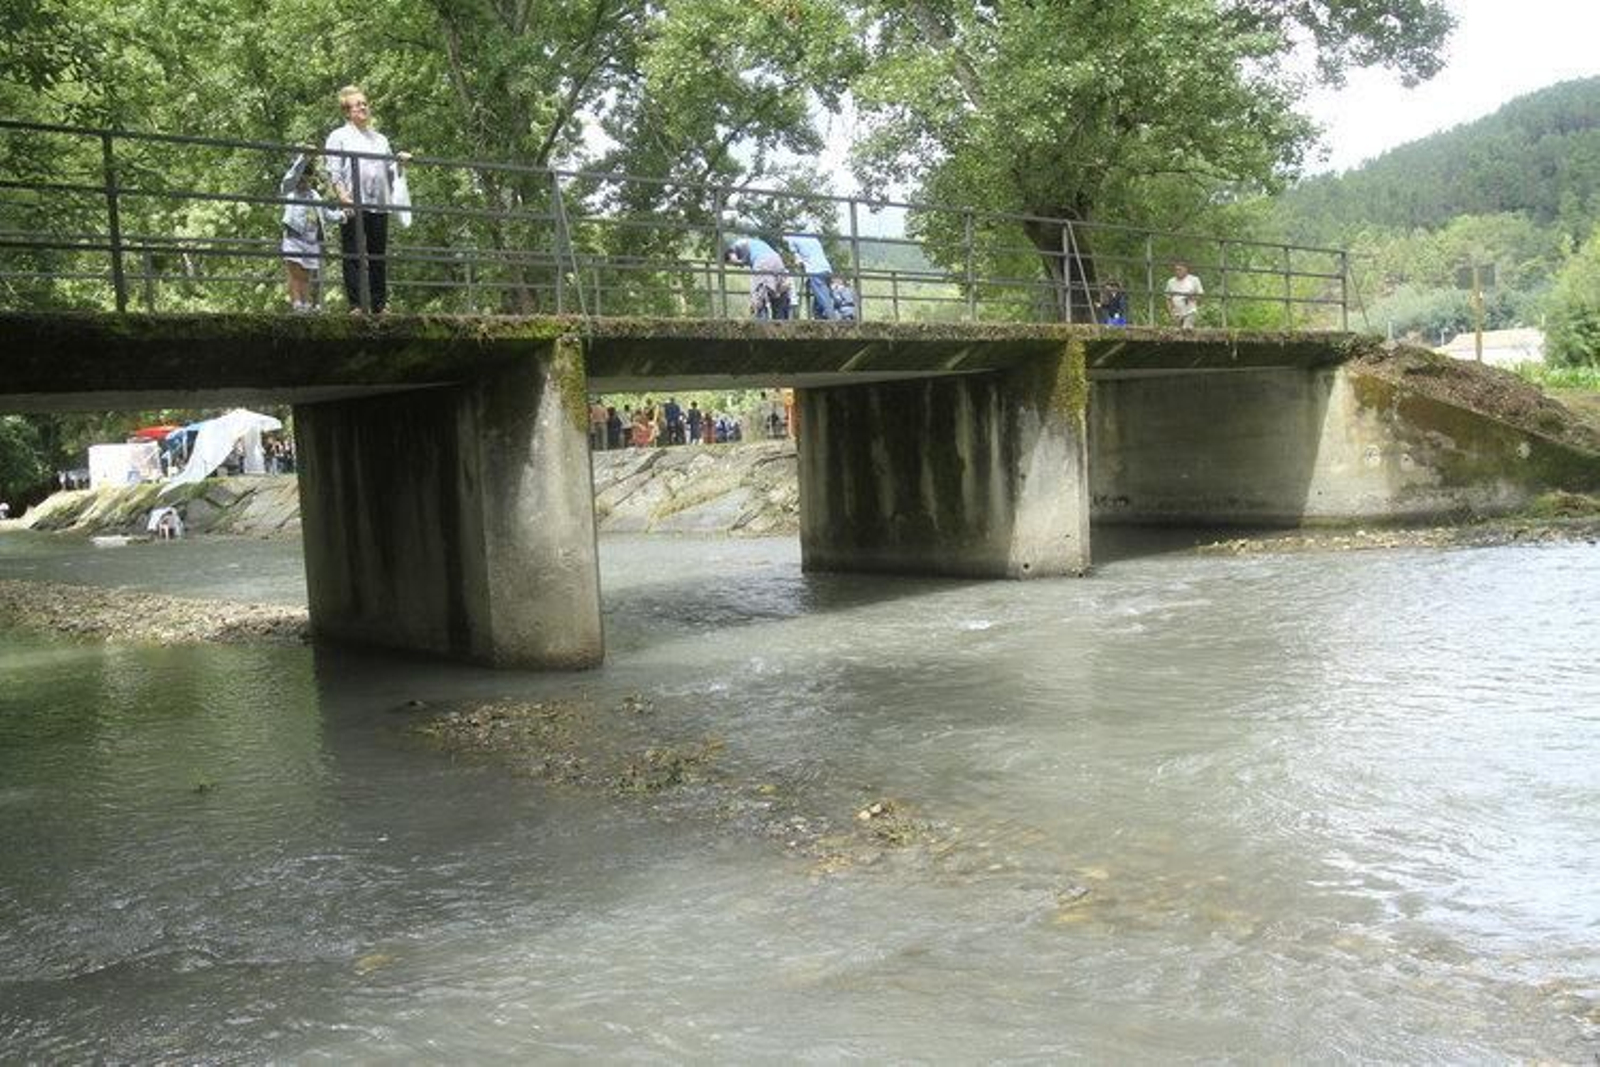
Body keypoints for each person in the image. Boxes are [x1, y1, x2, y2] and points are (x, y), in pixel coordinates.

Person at [324, 84, 410, 313]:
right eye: (357, 105)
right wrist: (343, 196)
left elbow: (391, 169)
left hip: (379, 202)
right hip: (354, 201)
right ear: (347, 111)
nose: (363, 107)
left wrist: (399, 161)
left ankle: (379, 304)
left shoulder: (380, 139)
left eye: (365, 103)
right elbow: (333, 169)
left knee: (377, 255)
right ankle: (356, 305)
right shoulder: (338, 136)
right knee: (352, 252)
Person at [279, 150, 342, 312]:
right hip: (294, 236)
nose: (304, 180)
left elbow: (326, 214)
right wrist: (305, 157)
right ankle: (297, 304)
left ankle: (306, 304)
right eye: (302, 177)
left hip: (311, 240)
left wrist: (343, 215)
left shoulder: (314, 195)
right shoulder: (290, 191)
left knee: (306, 275)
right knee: (295, 272)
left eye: (307, 177)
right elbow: (291, 176)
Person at [726, 236, 791, 320]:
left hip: (762, 262)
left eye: (733, 265)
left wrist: (737, 261)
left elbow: (732, 253)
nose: (738, 267)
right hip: (778, 261)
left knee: (759, 298)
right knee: (779, 295)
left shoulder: (739, 243)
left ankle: (762, 326)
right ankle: (781, 324)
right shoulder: (756, 243)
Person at [783, 233, 836, 320]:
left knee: (823, 298)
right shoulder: (812, 238)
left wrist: (800, 265)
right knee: (820, 297)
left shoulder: (791, 240)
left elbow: (797, 259)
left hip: (815, 270)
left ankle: (834, 321)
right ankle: (818, 319)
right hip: (827, 268)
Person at [1164, 261, 1203, 330]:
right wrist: (1171, 312)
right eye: (1176, 270)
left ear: (1186, 270)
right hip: (1176, 313)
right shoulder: (1171, 281)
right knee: (1176, 332)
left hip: (1190, 311)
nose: (1177, 272)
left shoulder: (1194, 280)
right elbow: (1168, 298)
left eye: (1180, 269)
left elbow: (1200, 295)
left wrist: (1192, 297)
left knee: (1186, 330)